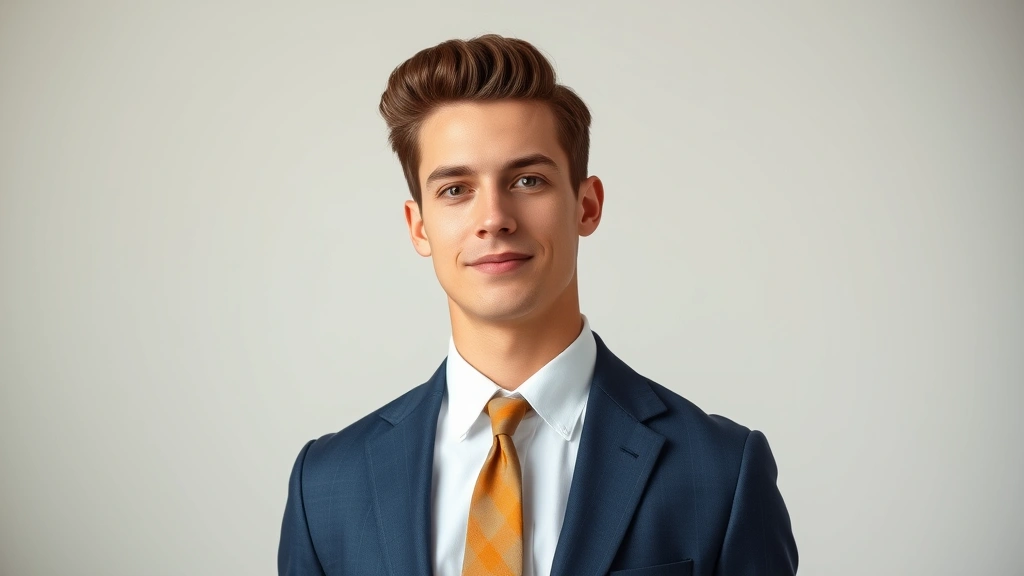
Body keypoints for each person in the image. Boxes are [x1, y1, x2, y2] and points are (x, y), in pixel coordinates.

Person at [278, 34, 798, 576]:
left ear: (587, 205)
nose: (495, 217)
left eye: (528, 180)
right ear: (418, 226)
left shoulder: (719, 472)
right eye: (455, 189)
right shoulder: (326, 486)